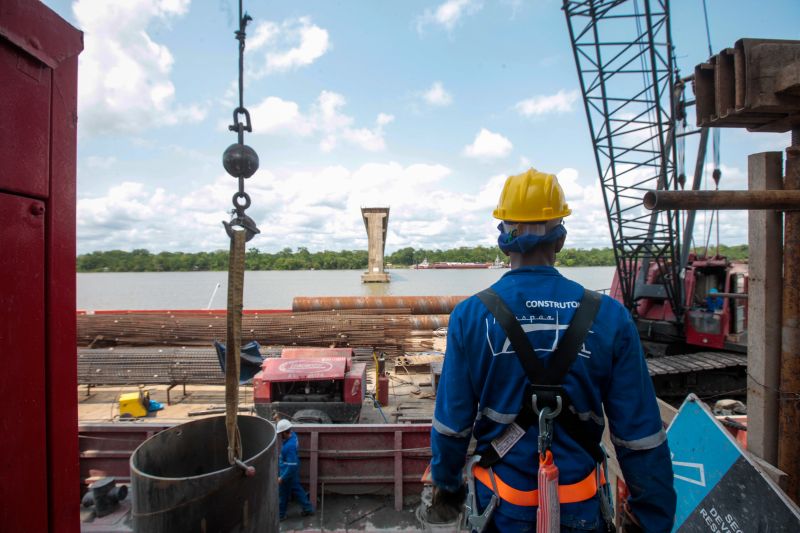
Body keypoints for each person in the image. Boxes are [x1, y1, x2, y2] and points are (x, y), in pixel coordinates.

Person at [426, 168, 676, 532]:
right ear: (560, 240)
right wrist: (651, 519)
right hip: (583, 510)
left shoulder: (470, 316)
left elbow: (451, 426)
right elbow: (640, 435)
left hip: (500, 510)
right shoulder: (608, 316)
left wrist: (448, 486)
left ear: (504, 240)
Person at [277, 419, 314, 521]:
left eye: (281, 433)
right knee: (297, 489)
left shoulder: (288, 447)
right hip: (292, 470)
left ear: (285, 432)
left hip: (287, 472)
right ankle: (308, 508)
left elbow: (291, 465)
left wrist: (282, 478)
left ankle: (281, 515)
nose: (280, 435)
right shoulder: (294, 436)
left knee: (282, 494)